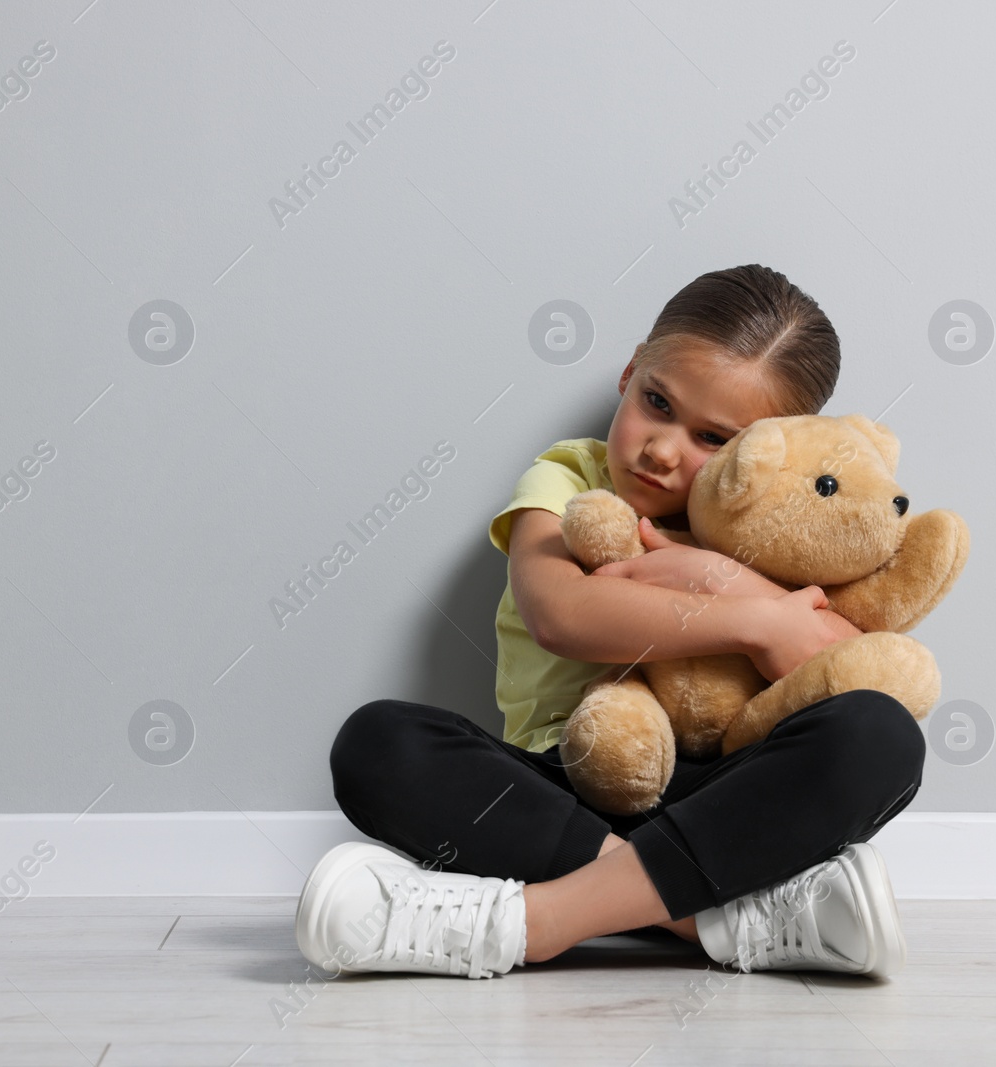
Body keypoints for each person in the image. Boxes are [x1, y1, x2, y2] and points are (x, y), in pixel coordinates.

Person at [294, 264, 927, 981]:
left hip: (723, 802)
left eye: (715, 439)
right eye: (656, 402)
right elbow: (562, 614)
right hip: (557, 793)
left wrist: (718, 575)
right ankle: (714, 918)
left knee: (880, 733)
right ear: (630, 371)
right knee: (379, 741)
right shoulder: (568, 480)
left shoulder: (781, 528)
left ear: (778, 442)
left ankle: (534, 922)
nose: (663, 450)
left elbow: (849, 664)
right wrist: (754, 621)